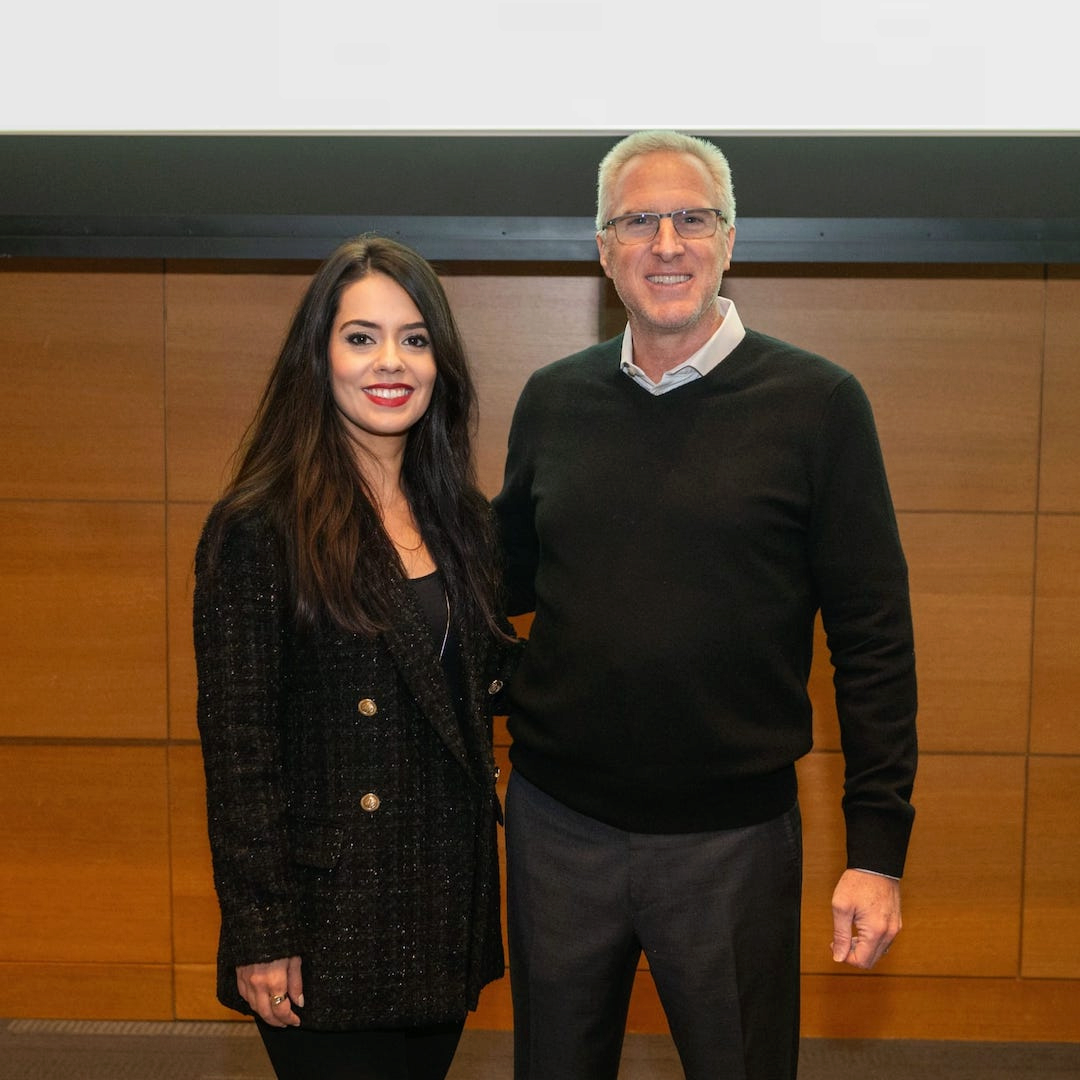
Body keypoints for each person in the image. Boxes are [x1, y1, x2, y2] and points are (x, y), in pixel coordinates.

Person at [492, 130, 918, 1080]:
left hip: (734, 847)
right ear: (603, 251)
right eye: (637, 221)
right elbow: (499, 583)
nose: (667, 243)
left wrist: (877, 850)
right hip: (558, 832)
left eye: (692, 218)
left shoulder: (820, 405)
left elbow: (874, 639)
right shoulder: (553, 400)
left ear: (731, 241)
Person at [194, 235, 515, 1080]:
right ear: (319, 355)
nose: (392, 362)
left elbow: (475, 687)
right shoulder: (259, 527)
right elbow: (241, 752)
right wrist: (263, 933)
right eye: (361, 336)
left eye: (415, 339)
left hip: (442, 904)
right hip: (325, 921)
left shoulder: (465, 521)